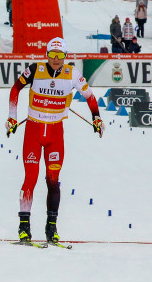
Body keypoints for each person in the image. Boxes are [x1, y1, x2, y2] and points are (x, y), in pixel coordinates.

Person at [6, 37, 103, 245]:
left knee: (53, 181)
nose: (56, 59)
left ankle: (52, 228)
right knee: (30, 177)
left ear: (65, 56)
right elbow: (15, 89)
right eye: (52, 55)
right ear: (47, 55)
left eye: (60, 55)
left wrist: (96, 118)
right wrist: (12, 117)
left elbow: (90, 96)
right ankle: (24, 227)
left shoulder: (72, 75)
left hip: (55, 136)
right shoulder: (35, 69)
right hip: (33, 132)